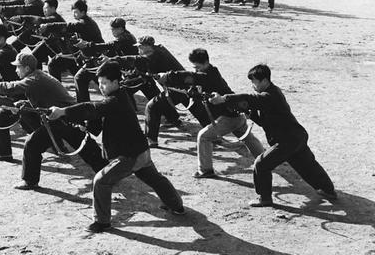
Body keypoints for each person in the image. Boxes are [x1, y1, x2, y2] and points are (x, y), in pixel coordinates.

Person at [49, 60, 185, 233]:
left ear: (115, 82)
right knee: (155, 179)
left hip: (130, 155)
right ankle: (177, 206)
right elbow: (100, 114)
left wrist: (63, 111)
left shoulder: (115, 100)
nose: (101, 87)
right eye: (99, 83)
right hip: (140, 150)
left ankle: (102, 222)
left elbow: (93, 108)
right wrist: (87, 127)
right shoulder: (119, 96)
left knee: (101, 181)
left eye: (104, 83)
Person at [0, 53, 106, 189]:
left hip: (62, 118)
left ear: (27, 68)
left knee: (32, 145)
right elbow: (42, 99)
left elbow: (11, 87)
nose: (16, 70)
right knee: (86, 146)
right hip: (66, 116)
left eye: (18, 67)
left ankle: (30, 181)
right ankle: (107, 170)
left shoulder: (33, 79)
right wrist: (23, 103)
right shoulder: (38, 76)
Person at [210, 64, 337, 207]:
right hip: (296, 137)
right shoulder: (272, 93)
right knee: (307, 166)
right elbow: (266, 121)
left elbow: (250, 98)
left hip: (287, 141)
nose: (253, 85)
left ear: (264, 80)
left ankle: (264, 199)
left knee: (261, 164)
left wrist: (223, 99)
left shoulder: (270, 95)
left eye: (254, 82)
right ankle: (329, 190)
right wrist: (251, 115)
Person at [157, 49, 264, 178]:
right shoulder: (210, 72)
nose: (196, 69)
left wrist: (168, 76)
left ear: (206, 62)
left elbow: (191, 77)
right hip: (236, 115)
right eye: (194, 67)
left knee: (204, 137)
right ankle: (265, 159)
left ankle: (205, 170)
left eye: (198, 66)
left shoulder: (207, 76)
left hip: (228, 117)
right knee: (247, 137)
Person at [73, 17, 138, 102]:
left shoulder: (125, 38)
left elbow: (110, 45)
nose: (112, 32)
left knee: (122, 88)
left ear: (121, 29)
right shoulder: (125, 36)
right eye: (112, 29)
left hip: (130, 69)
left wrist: (88, 45)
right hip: (125, 66)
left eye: (114, 29)